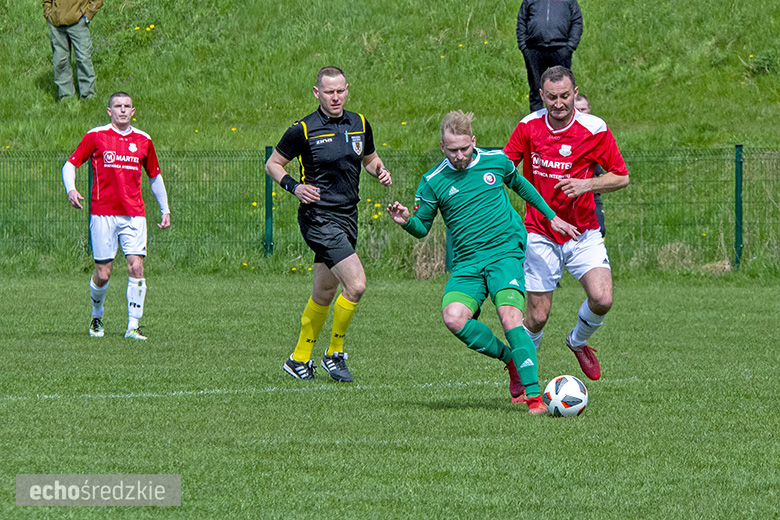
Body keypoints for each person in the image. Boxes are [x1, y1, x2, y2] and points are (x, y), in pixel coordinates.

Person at [388, 111, 580, 414]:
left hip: (505, 253)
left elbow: (521, 185)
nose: (460, 155)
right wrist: (406, 221)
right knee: (453, 317)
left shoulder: (496, 160)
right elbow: (422, 227)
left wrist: (551, 217)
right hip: (467, 263)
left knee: (509, 317)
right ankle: (510, 359)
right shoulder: (433, 181)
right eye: (453, 150)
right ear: (442, 147)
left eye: (465, 148)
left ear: (473, 141)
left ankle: (533, 397)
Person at [266, 66, 392, 383]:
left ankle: (298, 359)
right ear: (316, 92)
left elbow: (369, 159)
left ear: (347, 90)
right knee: (356, 284)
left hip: (348, 215)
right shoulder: (303, 130)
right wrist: (294, 187)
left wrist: (379, 170)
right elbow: (273, 164)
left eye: (340, 91)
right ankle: (334, 354)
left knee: (324, 292)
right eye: (328, 92)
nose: (335, 97)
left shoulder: (359, 123)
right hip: (318, 217)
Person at [504, 66, 629, 381]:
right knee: (537, 317)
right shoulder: (528, 127)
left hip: (583, 232)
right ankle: (522, 371)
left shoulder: (595, 129)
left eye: (564, 96)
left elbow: (621, 177)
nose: (558, 103)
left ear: (575, 93)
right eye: (551, 97)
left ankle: (577, 341)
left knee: (602, 298)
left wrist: (587, 184)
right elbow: (505, 170)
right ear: (541, 95)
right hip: (540, 231)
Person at [62, 92, 171, 340]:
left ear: (133, 111)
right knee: (103, 274)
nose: (123, 110)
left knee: (137, 267)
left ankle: (133, 326)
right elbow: (70, 165)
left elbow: (154, 176)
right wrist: (71, 189)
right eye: (118, 106)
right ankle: (97, 314)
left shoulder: (144, 140)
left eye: (127, 106)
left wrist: (165, 209)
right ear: (109, 111)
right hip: (103, 214)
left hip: (134, 215)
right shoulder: (96, 136)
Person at [516, 0, 582, 113]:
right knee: (536, 88)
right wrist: (523, 46)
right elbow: (522, 20)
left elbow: (576, 21)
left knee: (562, 87)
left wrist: (570, 46)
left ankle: (563, 117)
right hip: (534, 49)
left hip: (560, 49)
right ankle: (536, 119)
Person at [43, 0, 103, 101]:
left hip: (78, 23)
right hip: (56, 24)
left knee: (83, 59)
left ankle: (88, 96)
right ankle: (66, 97)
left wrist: (87, 16)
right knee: (60, 61)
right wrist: (48, 13)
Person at [574, 93, 606, 237]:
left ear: (589, 109)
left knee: (599, 230)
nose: (580, 113)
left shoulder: (597, 134)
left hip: (590, 195)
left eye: (583, 109)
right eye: (577, 109)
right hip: (566, 197)